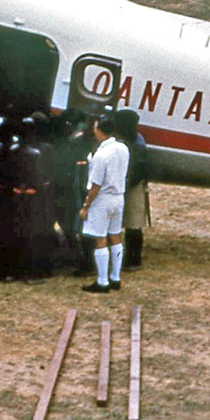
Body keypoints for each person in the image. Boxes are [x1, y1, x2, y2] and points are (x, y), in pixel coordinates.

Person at [78, 113, 130, 294]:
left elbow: (95, 186)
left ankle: (102, 281)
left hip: (103, 198)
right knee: (115, 237)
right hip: (119, 197)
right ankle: (115, 277)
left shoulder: (101, 155)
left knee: (100, 239)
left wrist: (86, 206)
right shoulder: (123, 148)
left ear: (98, 130)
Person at [115, 110, 150, 268]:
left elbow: (139, 170)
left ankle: (133, 259)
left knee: (133, 222)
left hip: (134, 185)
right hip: (126, 182)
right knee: (132, 222)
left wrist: (124, 185)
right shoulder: (133, 139)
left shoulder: (138, 145)